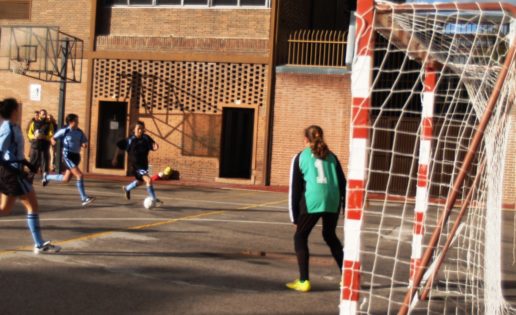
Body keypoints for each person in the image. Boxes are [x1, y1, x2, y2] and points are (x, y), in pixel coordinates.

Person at [287, 125, 346, 292]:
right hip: (332, 200)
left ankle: (304, 280)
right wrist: (345, 207)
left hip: (312, 200)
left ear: (306, 139)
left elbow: (295, 189)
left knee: (300, 236)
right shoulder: (332, 157)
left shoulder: (300, 157)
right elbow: (343, 183)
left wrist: (295, 217)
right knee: (330, 235)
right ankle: (346, 278)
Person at [0, 98, 60, 254]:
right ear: (13, 111)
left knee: (4, 209)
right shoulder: (7, 128)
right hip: (12, 174)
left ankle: (39, 244)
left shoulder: (15, 127)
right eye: (17, 109)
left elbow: (15, 153)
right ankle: (39, 244)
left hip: (14, 171)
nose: (19, 111)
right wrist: (15, 169)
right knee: (32, 206)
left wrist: (27, 164)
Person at [42, 113, 95, 206]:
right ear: (71, 122)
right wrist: (53, 141)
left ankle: (47, 176)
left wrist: (84, 144)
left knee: (66, 179)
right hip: (67, 156)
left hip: (76, 156)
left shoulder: (79, 131)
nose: (78, 122)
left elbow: (84, 141)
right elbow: (53, 138)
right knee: (79, 175)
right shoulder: (65, 131)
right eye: (76, 120)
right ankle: (84, 198)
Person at [112, 121, 162, 205]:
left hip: (144, 165)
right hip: (136, 166)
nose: (140, 130)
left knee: (140, 182)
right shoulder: (130, 140)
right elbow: (119, 146)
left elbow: (153, 145)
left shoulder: (146, 138)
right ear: (133, 130)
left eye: (142, 129)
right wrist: (115, 158)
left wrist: (156, 146)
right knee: (148, 180)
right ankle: (154, 199)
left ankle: (127, 188)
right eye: (138, 129)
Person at [27, 109, 54, 176]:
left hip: (44, 147)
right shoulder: (34, 123)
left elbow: (51, 135)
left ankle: (45, 177)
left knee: (44, 164)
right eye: (43, 114)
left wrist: (45, 137)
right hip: (35, 146)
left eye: (45, 114)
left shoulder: (49, 124)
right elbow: (29, 133)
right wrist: (34, 137)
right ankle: (30, 178)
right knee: (32, 164)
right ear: (39, 115)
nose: (44, 115)